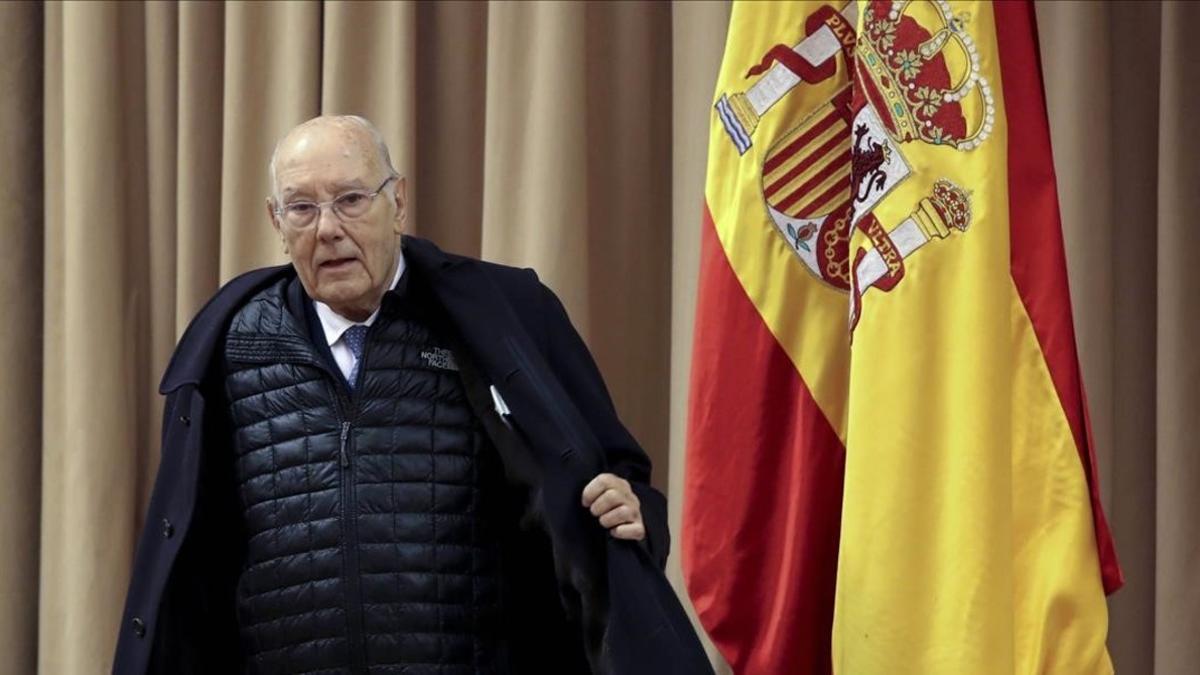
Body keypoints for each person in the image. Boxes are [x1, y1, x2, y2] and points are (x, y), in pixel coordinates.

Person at [112, 115, 711, 675]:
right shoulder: (231, 341)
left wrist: (633, 509)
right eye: (302, 208)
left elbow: (614, 471)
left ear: (397, 202)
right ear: (276, 222)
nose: (328, 229)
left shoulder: (503, 315)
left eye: (351, 200)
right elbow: (194, 552)